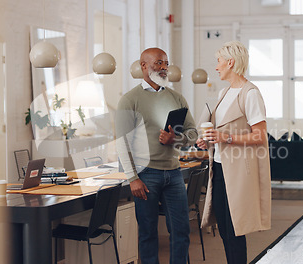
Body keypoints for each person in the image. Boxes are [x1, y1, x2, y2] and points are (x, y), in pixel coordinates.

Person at [116, 48, 198, 264]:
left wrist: (175, 140)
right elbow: (122, 142)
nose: (163, 67)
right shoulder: (129, 100)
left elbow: (193, 133)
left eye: (166, 63)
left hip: (174, 174)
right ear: (143, 65)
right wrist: (132, 178)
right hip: (145, 175)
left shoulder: (177, 98)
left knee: (181, 231)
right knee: (148, 233)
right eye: (158, 63)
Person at [196, 40, 271, 263]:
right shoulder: (223, 92)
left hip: (238, 173)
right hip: (218, 169)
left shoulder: (251, 93)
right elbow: (220, 131)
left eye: (219, 61)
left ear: (231, 62)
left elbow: (260, 136)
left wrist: (225, 138)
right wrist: (208, 141)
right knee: (224, 229)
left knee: (236, 229)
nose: (217, 67)